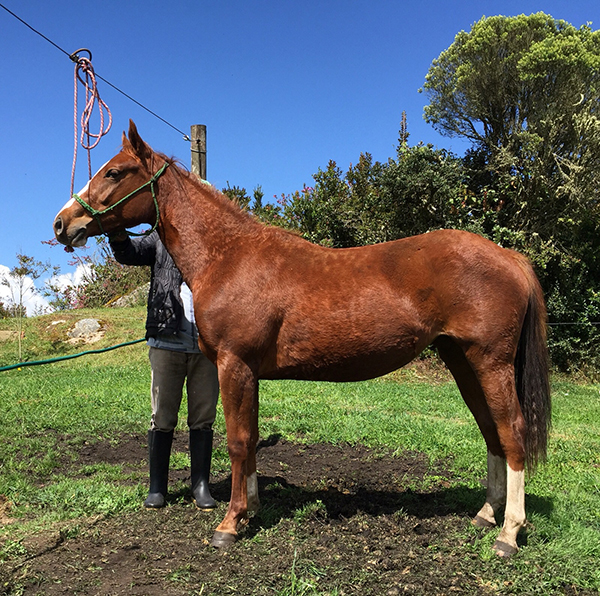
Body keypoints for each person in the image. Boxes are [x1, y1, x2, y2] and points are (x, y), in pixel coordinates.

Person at [109, 230, 220, 510]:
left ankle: (201, 485)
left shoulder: (215, 239)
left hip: (207, 344)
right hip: (166, 341)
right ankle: (157, 487)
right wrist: (117, 235)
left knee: (203, 417)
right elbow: (131, 253)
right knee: (162, 416)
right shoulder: (161, 236)